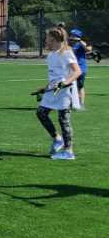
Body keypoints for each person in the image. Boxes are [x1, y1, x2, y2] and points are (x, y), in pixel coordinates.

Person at [36, 27, 81, 160]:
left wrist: (65, 83)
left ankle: (68, 151)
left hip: (65, 91)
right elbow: (54, 76)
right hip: (53, 90)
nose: (46, 41)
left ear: (54, 39)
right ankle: (57, 139)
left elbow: (77, 71)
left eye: (48, 39)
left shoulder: (67, 52)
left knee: (64, 120)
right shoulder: (51, 55)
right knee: (41, 113)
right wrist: (45, 88)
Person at [68, 29, 90, 108]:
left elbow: (88, 49)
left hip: (81, 68)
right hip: (72, 68)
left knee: (80, 86)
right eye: (71, 35)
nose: (71, 37)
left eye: (73, 35)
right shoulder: (70, 44)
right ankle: (71, 103)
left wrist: (80, 40)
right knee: (69, 85)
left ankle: (81, 103)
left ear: (77, 36)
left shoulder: (81, 43)